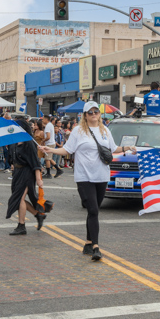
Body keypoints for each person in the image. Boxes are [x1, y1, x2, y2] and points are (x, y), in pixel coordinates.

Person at [40, 101, 136, 262]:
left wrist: (127, 148)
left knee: (94, 210)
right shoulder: (78, 131)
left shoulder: (105, 130)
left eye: (96, 112)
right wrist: (51, 150)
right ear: (85, 115)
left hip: (102, 176)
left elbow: (113, 148)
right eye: (90, 112)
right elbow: (67, 150)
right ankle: (96, 247)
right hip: (84, 177)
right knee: (93, 211)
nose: (93, 114)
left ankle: (88, 242)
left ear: (99, 114)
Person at [5, 119, 46, 236]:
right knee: (18, 198)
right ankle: (38, 214)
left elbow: (35, 162)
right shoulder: (13, 141)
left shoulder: (29, 142)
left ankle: (21, 226)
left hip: (27, 172)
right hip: (17, 172)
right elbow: (12, 157)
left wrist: (38, 179)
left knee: (20, 198)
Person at [42, 114, 63, 178]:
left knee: (47, 159)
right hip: (51, 143)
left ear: (46, 119)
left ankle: (48, 174)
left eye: (43, 119)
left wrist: (43, 140)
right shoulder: (50, 125)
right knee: (49, 158)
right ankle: (58, 169)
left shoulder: (48, 126)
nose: (42, 120)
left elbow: (48, 137)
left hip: (49, 143)